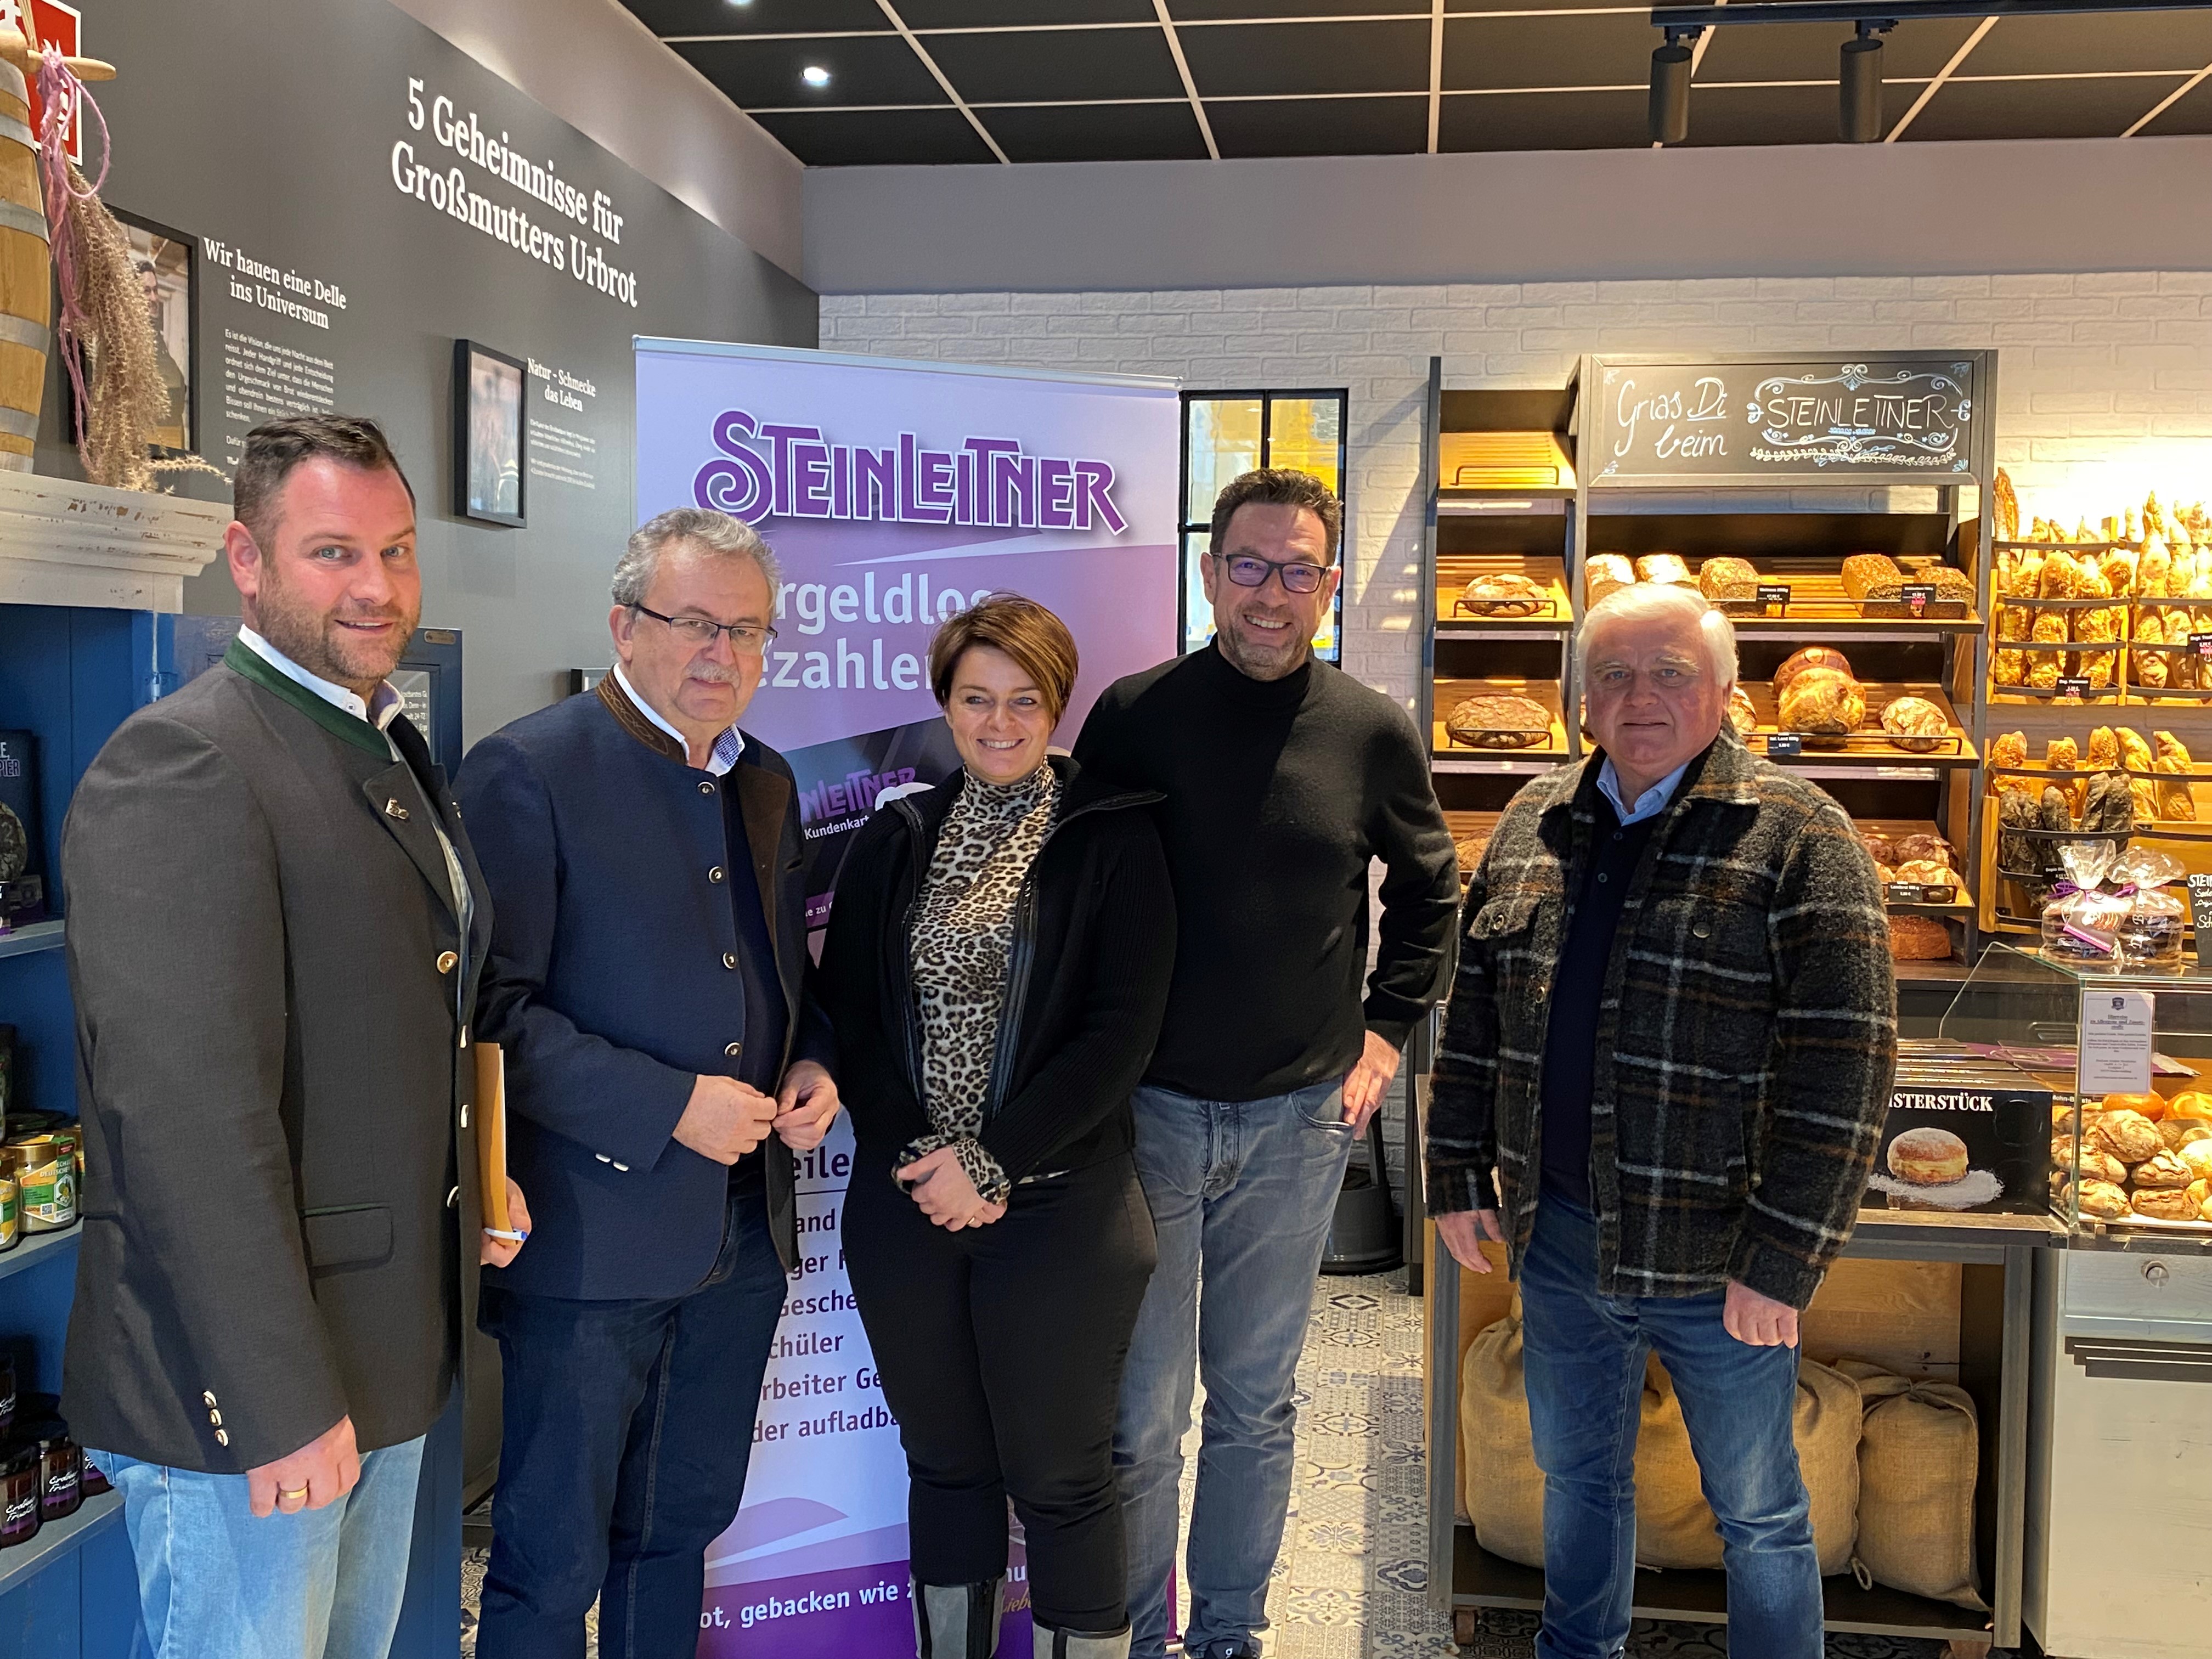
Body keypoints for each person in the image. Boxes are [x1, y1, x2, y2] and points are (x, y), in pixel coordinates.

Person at [60, 414, 524, 1659]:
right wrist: (275, 1402)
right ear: (245, 561)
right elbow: (186, 1120)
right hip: (261, 1396)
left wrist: (479, 1173)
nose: (377, 587)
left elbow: (422, 1012)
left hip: (381, 1356)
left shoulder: (377, 744)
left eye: (397, 550)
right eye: (332, 552)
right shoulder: (187, 761)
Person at [1427, 582, 1896, 1659]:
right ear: (1582, 697)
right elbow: (1475, 1017)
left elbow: (1851, 1056)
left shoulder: (1797, 834)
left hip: (1720, 1256)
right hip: (1561, 1245)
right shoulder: (1533, 821)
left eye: (1671, 673)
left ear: (1725, 691)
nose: (1640, 698)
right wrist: (1455, 1170)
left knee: (1761, 1512)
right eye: (1615, 675)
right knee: (1580, 1483)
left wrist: (1785, 1255)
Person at [1075, 469, 1460, 1659]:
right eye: (1249, 565)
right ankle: (1148, 1639)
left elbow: (1434, 886)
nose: (1272, 593)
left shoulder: (1370, 729)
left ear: (1330, 586)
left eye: (1299, 570)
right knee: (1143, 1419)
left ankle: (1229, 1635)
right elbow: (1083, 894)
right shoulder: (1135, 715)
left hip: (1299, 1123)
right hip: (1149, 1120)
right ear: (1208, 575)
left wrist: (1389, 1034)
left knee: (1255, 1405)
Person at [459, 506, 841, 1659]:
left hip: (737, 1244)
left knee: (677, 1535)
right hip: (586, 1245)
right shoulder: (524, 770)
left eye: (749, 630)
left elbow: (779, 974)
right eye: (693, 624)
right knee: (551, 1555)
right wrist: (670, 1103)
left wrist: (813, 1055)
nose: (722, 654)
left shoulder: (766, 780)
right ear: (625, 625)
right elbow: (489, 1019)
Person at [821, 595, 1175, 1659]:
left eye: (1025, 700)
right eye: (976, 699)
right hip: (909, 1206)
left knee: (1063, 1480)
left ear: (1057, 704)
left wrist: (994, 1161)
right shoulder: (897, 835)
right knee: (946, 1469)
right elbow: (855, 1013)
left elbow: (1121, 1036)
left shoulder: (1114, 835)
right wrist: (924, 1158)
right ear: (945, 703)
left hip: (1061, 1210)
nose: (1001, 722)